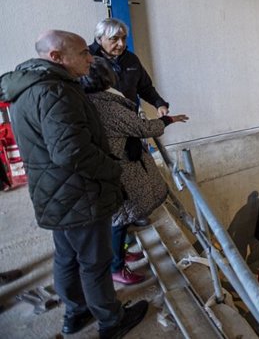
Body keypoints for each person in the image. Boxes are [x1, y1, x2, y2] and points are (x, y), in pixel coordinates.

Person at [0, 30, 148, 337]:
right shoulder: (56, 92)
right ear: (56, 56)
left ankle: (76, 313)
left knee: (66, 257)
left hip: (52, 191)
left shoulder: (29, 85)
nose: (90, 57)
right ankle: (112, 320)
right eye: (82, 53)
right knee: (95, 262)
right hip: (79, 193)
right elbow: (71, 151)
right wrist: (111, 168)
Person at [80, 57, 188, 285]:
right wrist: (168, 120)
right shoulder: (107, 105)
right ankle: (116, 266)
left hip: (108, 167)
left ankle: (119, 255)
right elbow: (142, 128)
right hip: (119, 169)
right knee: (120, 219)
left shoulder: (87, 100)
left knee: (120, 218)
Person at [89, 18, 169, 116]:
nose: (121, 44)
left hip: (129, 117)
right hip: (100, 120)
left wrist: (159, 104)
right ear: (99, 39)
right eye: (114, 38)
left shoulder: (131, 59)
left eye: (124, 38)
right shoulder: (87, 58)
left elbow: (145, 87)